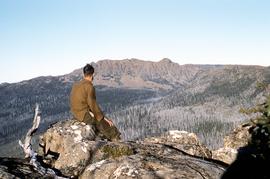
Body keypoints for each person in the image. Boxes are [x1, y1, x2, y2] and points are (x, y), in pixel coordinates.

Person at [70, 64, 121, 141]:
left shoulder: (76, 85)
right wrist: (104, 118)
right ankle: (115, 137)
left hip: (75, 113)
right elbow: (93, 105)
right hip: (83, 114)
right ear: (92, 75)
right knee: (101, 122)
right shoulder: (89, 87)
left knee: (98, 118)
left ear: (84, 74)